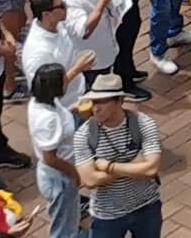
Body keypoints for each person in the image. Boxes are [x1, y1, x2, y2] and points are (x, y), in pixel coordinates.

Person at [70, 73, 165, 238]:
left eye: (102, 102)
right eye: (93, 102)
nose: (95, 108)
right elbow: (90, 180)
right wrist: (135, 164)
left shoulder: (143, 123)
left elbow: (151, 169)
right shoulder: (84, 135)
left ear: (120, 101)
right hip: (107, 215)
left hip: (146, 206)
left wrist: (108, 166)